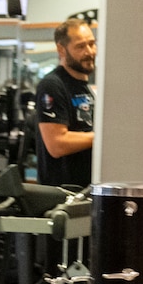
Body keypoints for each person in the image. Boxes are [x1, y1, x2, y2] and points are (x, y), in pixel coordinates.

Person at [34, 16, 95, 188]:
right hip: (62, 195)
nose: (89, 52)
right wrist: (102, 138)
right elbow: (57, 144)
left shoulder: (86, 88)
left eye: (91, 43)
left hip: (86, 192)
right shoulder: (52, 85)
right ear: (61, 49)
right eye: (80, 46)